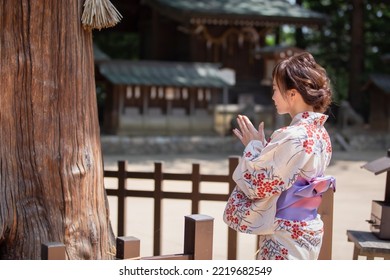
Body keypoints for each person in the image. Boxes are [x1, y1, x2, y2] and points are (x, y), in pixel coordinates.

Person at [223, 52, 335, 260]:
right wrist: (267, 150)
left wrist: (254, 148)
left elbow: (260, 183)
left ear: (292, 94)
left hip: (286, 233)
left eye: (275, 90)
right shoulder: (321, 133)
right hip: (308, 229)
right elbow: (289, 172)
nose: (273, 96)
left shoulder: (292, 135)